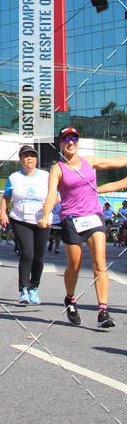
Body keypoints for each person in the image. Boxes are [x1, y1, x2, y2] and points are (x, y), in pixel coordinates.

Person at [38, 126, 127, 328]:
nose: (71, 142)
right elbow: (52, 194)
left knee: (99, 263)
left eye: (74, 139)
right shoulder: (57, 169)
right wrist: (46, 216)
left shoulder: (89, 161)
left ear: (78, 142)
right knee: (75, 265)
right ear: (61, 143)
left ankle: (103, 311)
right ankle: (70, 298)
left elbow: (116, 162)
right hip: (71, 219)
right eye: (67, 139)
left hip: (94, 216)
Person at [0, 145, 50, 304]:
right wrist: (2, 213)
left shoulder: (46, 176)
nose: (29, 158)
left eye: (32, 156)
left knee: (39, 256)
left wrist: (48, 209)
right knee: (27, 253)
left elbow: (54, 196)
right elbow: (6, 197)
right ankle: (24, 289)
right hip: (20, 220)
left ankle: (34, 288)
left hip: (41, 220)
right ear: (21, 160)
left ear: (36, 159)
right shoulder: (14, 177)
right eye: (26, 156)